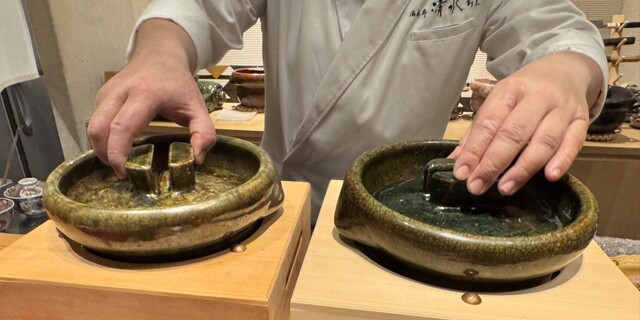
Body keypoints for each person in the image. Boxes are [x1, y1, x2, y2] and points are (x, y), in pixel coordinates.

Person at [88, 0, 607, 220]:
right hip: (285, 210)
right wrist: (159, 54)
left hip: (409, 213)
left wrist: (566, 72)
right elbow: (195, 7)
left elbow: (556, 29)